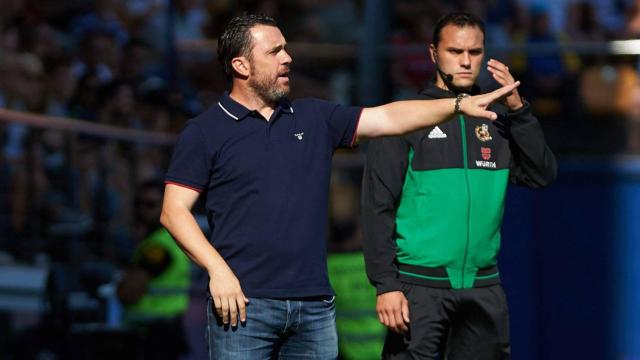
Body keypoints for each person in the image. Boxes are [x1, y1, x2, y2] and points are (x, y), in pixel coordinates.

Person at [160, 13, 520, 359]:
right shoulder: (206, 131)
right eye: (274, 51)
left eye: (285, 48)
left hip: (314, 307)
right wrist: (218, 272)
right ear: (241, 66)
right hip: (243, 305)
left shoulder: (314, 117)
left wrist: (457, 105)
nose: (288, 57)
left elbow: (389, 117)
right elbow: (174, 212)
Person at [361, 12, 557, 360]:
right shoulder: (406, 115)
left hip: (483, 287)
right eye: (455, 51)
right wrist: (386, 285)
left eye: (475, 52)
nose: (466, 61)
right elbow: (377, 205)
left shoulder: (497, 118)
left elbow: (541, 174)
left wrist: (519, 110)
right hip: (418, 287)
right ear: (433, 53)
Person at [117, 179, 191, 359]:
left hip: (155, 334)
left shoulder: (159, 246)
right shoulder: (165, 239)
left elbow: (128, 292)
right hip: (160, 330)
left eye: (150, 204)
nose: (142, 210)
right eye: (138, 204)